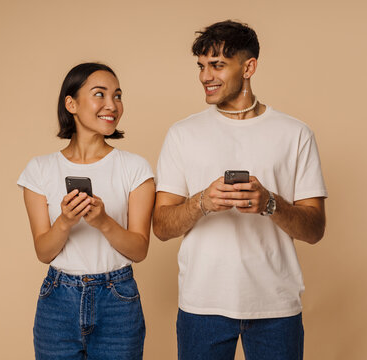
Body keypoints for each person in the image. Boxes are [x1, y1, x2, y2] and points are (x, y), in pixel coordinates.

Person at [153, 20, 328, 360]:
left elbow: (315, 229)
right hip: (201, 306)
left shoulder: (295, 134)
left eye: (217, 65)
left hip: (276, 307)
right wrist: (202, 202)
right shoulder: (182, 134)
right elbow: (160, 227)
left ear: (249, 67)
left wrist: (270, 203)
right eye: (201, 66)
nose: (206, 76)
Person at [17, 62, 155, 360]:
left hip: (118, 300)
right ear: (71, 104)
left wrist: (104, 222)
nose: (112, 105)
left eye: (117, 96)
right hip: (57, 301)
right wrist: (65, 221)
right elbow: (44, 251)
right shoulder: (39, 169)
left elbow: (139, 249)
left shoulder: (135, 168)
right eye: (99, 94)